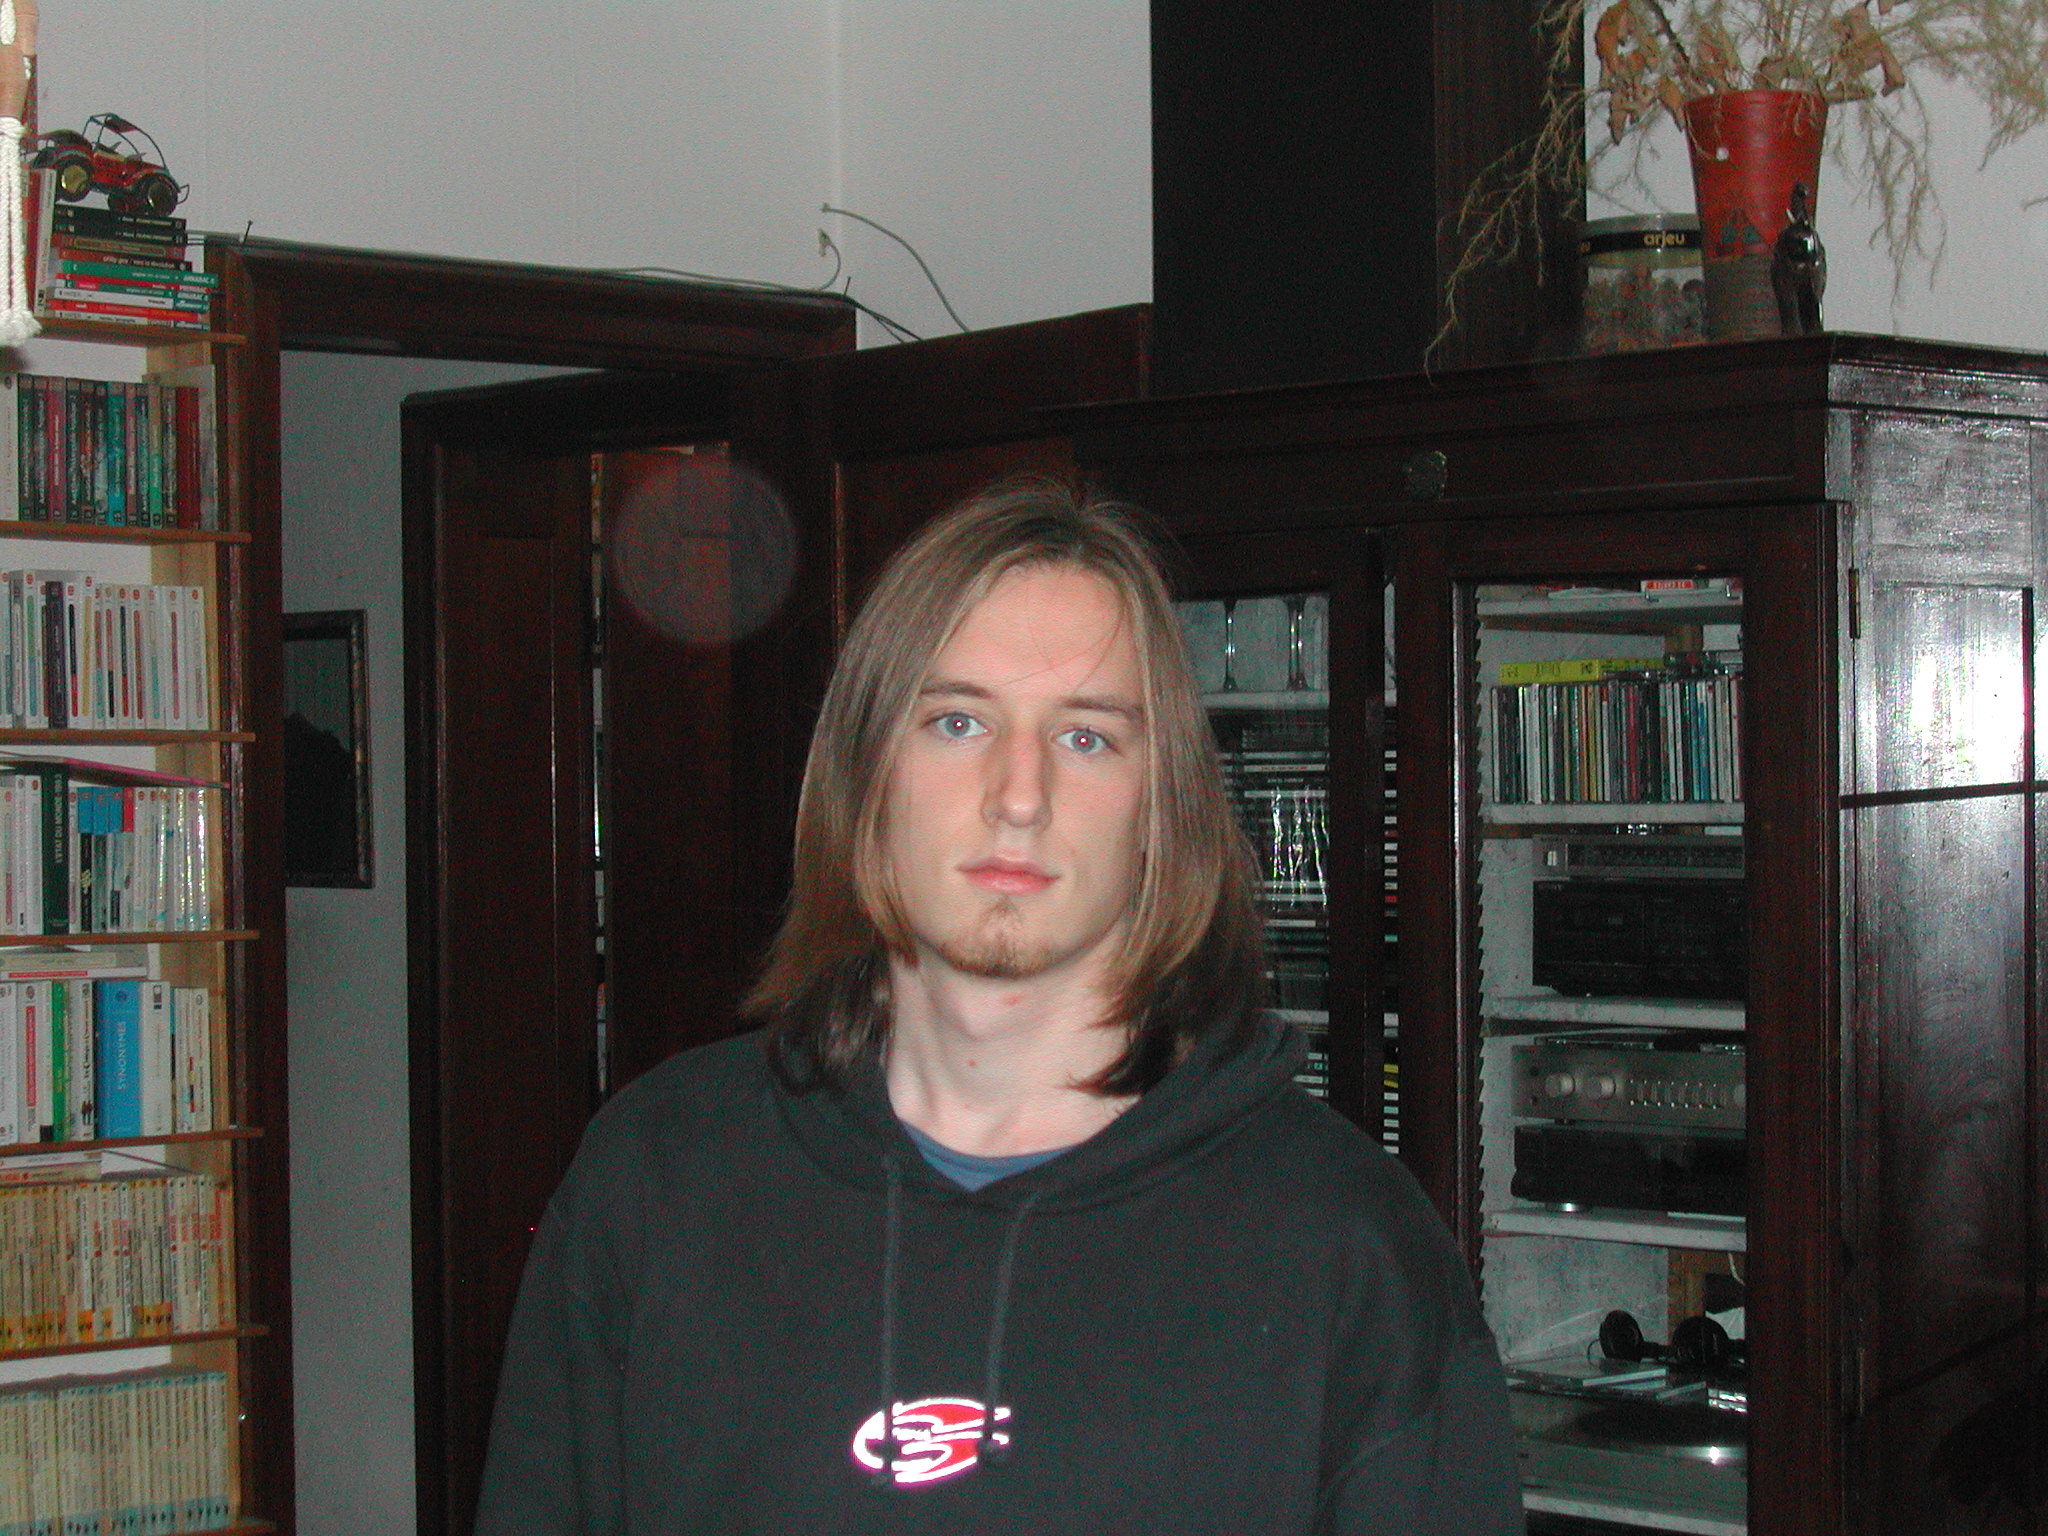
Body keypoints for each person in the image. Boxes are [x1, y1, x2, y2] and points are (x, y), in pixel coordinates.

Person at [474, 478, 1524, 1535]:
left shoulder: (1347, 1249)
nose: (1018, 796)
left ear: (1161, 807)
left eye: (1085, 738)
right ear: (864, 774)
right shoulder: (655, 1181)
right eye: (957, 721)